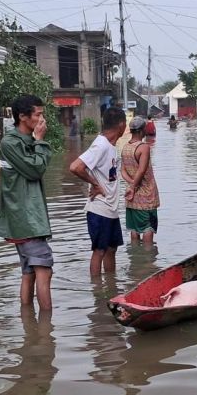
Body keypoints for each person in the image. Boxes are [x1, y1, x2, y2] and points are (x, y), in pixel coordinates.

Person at [0, 94, 53, 311]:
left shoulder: (23, 141)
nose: (41, 119)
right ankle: (47, 332)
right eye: (38, 114)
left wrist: (37, 141)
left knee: (29, 272)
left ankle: (31, 329)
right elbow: (35, 169)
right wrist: (40, 141)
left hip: (28, 219)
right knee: (44, 270)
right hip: (26, 220)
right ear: (22, 116)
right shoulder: (10, 144)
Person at [69, 107, 128, 276]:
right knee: (99, 251)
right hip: (99, 209)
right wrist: (95, 184)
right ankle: (97, 293)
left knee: (111, 249)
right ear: (122, 125)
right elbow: (75, 167)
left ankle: (110, 286)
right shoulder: (100, 145)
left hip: (111, 209)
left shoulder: (110, 146)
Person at [121, 116, 160, 245]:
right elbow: (142, 170)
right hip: (146, 195)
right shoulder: (144, 147)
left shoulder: (125, 147)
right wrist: (134, 186)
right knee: (148, 227)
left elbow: (123, 171)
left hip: (132, 197)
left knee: (134, 229)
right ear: (141, 131)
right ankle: (148, 260)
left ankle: (136, 261)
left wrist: (131, 185)